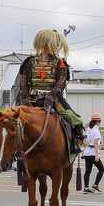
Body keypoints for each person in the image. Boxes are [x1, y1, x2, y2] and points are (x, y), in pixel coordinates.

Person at [14, 28, 86, 156]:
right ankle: (11, 150)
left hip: (54, 100)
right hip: (30, 100)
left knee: (74, 118)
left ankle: (75, 141)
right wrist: (26, 101)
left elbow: (60, 84)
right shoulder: (29, 62)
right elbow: (23, 83)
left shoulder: (60, 64)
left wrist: (50, 97)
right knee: (10, 120)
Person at [82, 115, 104, 193]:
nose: (100, 123)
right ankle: (95, 185)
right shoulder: (96, 130)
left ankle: (86, 188)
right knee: (101, 169)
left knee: (88, 170)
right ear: (97, 121)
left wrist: (84, 150)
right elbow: (96, 143)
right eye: (100, 121)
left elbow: (84, 141)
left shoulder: (87, 129)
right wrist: (97, 154)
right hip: (93, 153)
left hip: (87, 152)